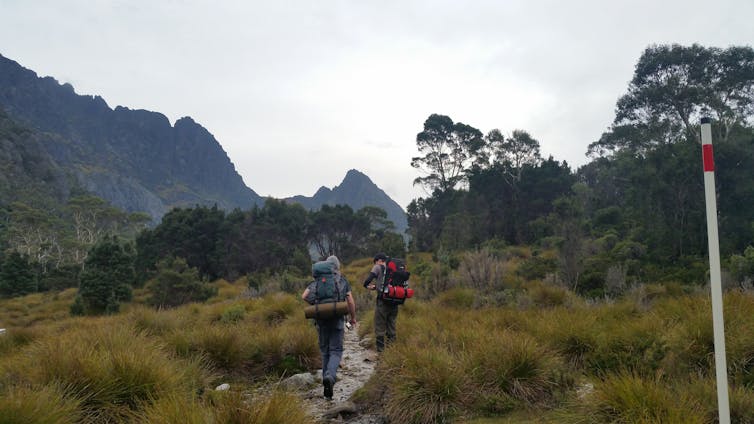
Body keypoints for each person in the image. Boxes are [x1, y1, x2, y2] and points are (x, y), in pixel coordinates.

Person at [302, 255, 357, 400]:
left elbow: (304, 296)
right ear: (337, 267)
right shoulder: (342, 280)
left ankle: (326, 386)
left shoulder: (317, 281)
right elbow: (350, 301)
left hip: (321, 321)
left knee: (325, 351)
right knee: (336, 350)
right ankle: (330, 377)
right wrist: (353, 318)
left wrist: (318, 305)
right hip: (337, 321)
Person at [363, 252, 398, 352]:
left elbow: (367, 281)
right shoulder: (394, 268)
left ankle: (381, 352)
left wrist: (367, 286)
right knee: (391, 326)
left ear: (378, 260)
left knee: (379, 327)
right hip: (395, 301)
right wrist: (376, 287)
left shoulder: (378, 267)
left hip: (383, 302)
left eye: (375, 262)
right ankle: (392, 351)